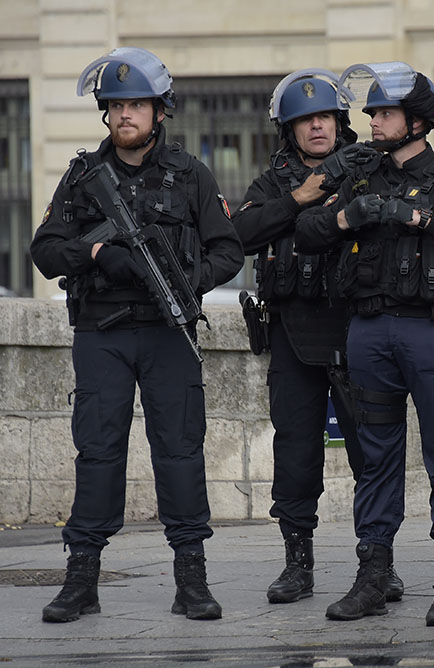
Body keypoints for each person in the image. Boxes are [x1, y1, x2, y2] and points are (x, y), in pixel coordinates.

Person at [30, 47, 243, 622]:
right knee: (98, 452)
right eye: (116, 105)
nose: (125, 115)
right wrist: (97, 252)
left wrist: (190, 278)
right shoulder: (82, 177)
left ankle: (191, 579)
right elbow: (45, 250)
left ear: (159, 112)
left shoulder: (189, 175)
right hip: (102, 333)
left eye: (137, 105)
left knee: (179, 451)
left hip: (168, 332)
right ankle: (81, 580)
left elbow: (229, 249)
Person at [295, 61, 434, 626]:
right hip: (369, 333)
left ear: (416, 120)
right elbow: (307, 233)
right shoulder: (361, 175)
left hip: (430, 331)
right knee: (377, 458)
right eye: (374, 112)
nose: (373, 121)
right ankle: (373, 575)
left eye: (383, 113)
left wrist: (422, 219)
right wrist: (345, 219)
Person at [232, 69, 404, 605]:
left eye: (325, 116)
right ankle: (297, 564)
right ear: (290, 129)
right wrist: (301, 197)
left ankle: (379, 565)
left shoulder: (370, 169)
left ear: (339, 121)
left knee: (371, 452)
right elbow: (239, 234)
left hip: (360, 330)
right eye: (305, 120)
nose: (317, 127)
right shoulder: (271, 183)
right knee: (296, 452)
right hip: (292, 333)